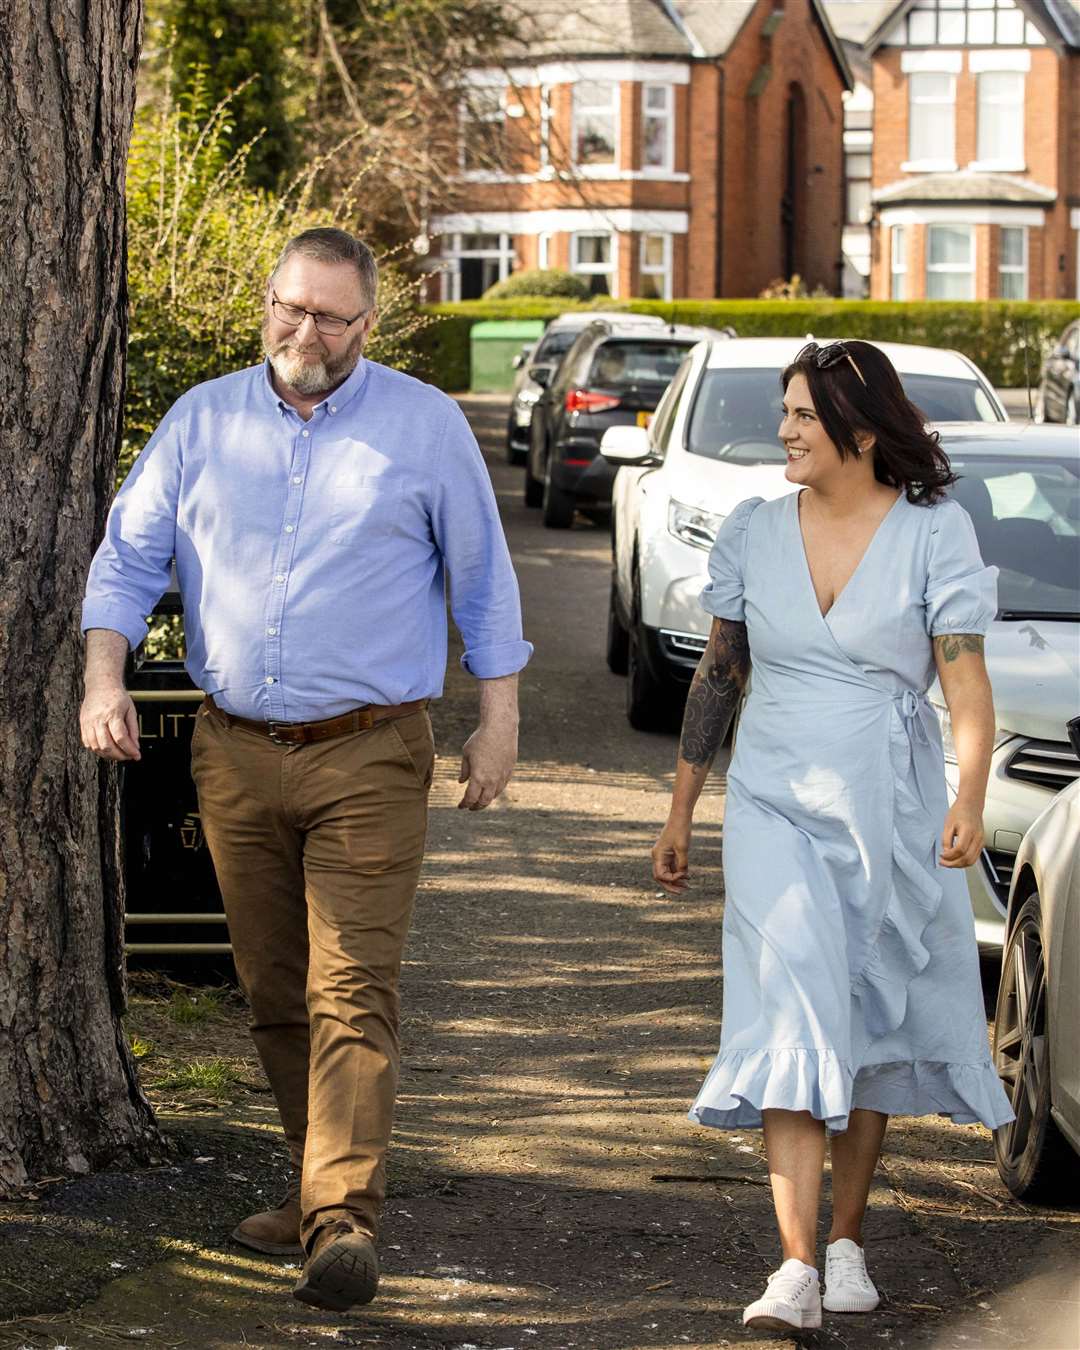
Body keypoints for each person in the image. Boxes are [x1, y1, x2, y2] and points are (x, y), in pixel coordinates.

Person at [79, 227, 531, 1313]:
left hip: (371, 751)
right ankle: (310, 1178)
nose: (306, 332)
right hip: (232, 750)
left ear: (368, 325)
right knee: (276, 993)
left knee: (350, 988)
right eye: (291, 307)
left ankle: (342, 1220)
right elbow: (129, 557)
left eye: (331, 316)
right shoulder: (203, 420)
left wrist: (499, 717)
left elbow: (483, 577)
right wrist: (105, 679)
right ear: (266, 303)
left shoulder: (421, 427)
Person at [651, 340, 1013, 1335]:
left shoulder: (935, 534)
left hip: (889, 806)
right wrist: (681, 809)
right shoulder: (756, 530)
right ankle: (796, 1267)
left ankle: (847, 1240)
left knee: (866, 1019)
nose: (786, 432)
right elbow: (718, 677)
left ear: (860, 426)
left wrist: (968, 795)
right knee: (791, 1013)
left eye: (804, 415)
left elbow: (967, 687)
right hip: (770, 803)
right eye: (786, 413)